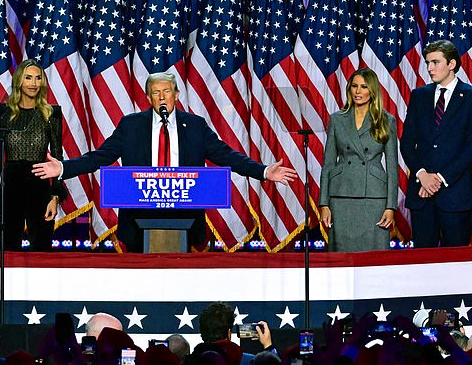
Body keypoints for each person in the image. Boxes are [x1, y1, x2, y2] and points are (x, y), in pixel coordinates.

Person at [32, 72, 297, 252]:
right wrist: (64, 167)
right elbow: (101, 156)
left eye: (166, 92)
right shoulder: (131, 125)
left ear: (176, 94)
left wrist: (263, 171)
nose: (161, 97)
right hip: (139, 219)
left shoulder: (194, 126)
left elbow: (226, 155)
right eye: (155, 93)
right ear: (148, 98)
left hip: (184, 217)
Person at [400, 40, 472, 248]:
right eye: (428, 62)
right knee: (421, 264)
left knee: (456, 266)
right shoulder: (419, 95)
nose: (429, 68)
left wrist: (438, 179)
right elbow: (407, 142)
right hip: (421, 196)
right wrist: (422, 175)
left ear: (452, 64)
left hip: (455, 195)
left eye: (435, 62)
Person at [0, 60, 66, 251]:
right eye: (28, 78)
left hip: (40, 185)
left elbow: (57, 156)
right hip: (10, 186)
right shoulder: (3, 113)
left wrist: (54, 196)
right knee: (9, 248)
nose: (33, 83)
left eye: (38, 78)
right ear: (19, 81)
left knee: (41, 248)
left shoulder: (51, 114)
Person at [318, 68, 398, 252]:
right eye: (354, 86)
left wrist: (390, 207)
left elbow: (393, 167)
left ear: (372, 90)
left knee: (374, 257)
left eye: (363, 87)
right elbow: (328, 164)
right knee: (341, 257)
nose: (358, 91)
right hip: (341, 195)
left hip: (374, 197)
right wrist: (324, 203)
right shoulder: (337, 119)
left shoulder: (386, 120)